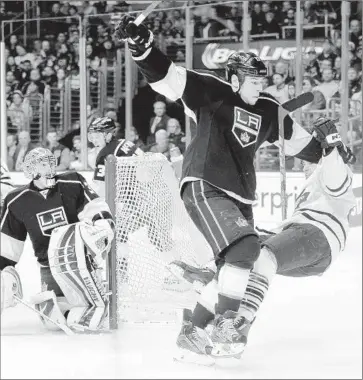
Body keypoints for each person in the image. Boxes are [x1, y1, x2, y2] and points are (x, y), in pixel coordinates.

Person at [115, 16, 323, 362]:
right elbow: (166, 76)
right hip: (204, 184)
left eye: (262, 80)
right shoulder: (209, 91)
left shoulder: (270, 110)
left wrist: (330, 147)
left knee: (234, 265)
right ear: (234, 78)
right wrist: (142, 45)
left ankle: (193, 333)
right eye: (253, 81)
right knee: (245, 246)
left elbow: (303, 146)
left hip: (241, 196)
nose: (259, 86)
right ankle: (227, 322)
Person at [168, 117, 357, 361]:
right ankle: (194, 328)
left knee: (263, 257)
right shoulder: (312, 181)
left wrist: (331, 148)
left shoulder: (332, 170)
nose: (302, 165)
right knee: (243, 260)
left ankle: (236, 324)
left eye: (306, 161)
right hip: (311, 245)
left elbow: (337, 181)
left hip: (320, 237)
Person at [0, 147, 115, 332]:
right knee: (53, 321)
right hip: (49, 266)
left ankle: (91, 304)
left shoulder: (72, 182)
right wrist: (3, 270)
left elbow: (94, 205)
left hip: (80, 263)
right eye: (43, 164)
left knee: (92, 308)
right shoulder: (16, 200)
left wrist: (102, 222)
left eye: (50, 162)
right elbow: (9, 242)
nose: (49, 167)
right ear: (31, 170)